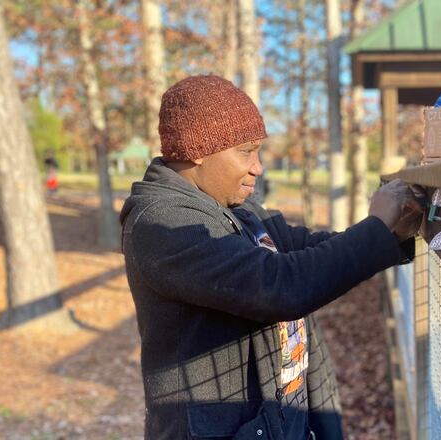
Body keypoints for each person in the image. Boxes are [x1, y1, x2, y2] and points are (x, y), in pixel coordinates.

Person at [119, 75, 423, 440]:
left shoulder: (242, 212)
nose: (258, 167)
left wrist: (393, 232)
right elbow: (280, 286)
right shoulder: (161, 223)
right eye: (246, 151)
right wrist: (377, 225)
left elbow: (309, 248)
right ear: (196, 150)